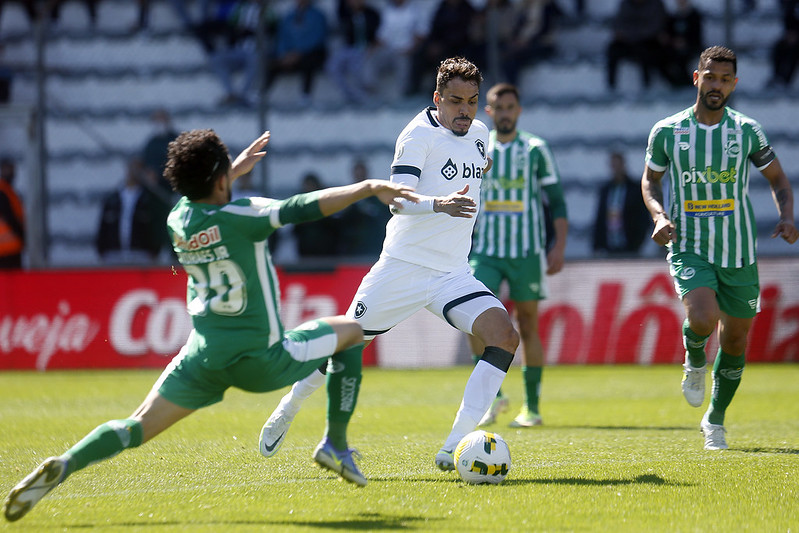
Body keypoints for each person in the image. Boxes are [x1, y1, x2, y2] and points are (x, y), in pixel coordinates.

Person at [2, 129, 420, 522]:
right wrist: (368, 188)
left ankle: (66, 464)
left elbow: (200, 198)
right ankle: (336, 443)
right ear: (220, 181)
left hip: (202, 358)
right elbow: (301, 207)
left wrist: (228, 172)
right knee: (350, 331)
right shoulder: (244, 216)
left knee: (136, 426)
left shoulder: (178, 219)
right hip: (261, 359)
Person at [260, 57, 520, 472]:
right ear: (437, 98)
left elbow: (474, 163)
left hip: (452, 273)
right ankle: (288, 408)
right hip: (402, 268)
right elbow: (396, 199)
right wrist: (441, 203)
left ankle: (454, 446)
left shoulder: (480, 134)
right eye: (455, 101)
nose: (465, 110)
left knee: (505, 336)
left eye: (471, 101)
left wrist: (476, 170)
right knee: (343, 347)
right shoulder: (417, 135)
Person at [641, 46, 798, 451]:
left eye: (725, 80)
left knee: (735, 341)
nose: (717, 85)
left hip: (740, 252)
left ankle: (715, 419)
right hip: (689, 245)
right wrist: (659, 216)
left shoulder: (746, 131)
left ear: (734, 84)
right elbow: (650, 181)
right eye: (710, 77)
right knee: (704, 317)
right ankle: (694, 358)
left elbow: (779, 180)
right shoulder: (668, 131)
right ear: (697, 78)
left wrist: (787, 216)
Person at [468, 83, 568, 428]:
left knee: (527, 325)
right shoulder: (477, 148)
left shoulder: (536, 149)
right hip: (487, 252)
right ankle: (493, 398)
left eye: (511, 106)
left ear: (519, 110)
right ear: (489, 112)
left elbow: (556, 201)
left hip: (526, 251)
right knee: (469, 316)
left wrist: (559, 246)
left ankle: (533, 408)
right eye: (499, 107)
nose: (506, 112)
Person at [96, 157, 167, 264]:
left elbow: (157, 224)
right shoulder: (112, 199)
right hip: (114, 254)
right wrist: (102, 249)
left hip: (141, 254)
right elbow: (103, 227)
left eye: (138, 169)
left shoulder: (149, 199)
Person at [265, 0, 328, 106]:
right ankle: (262, 94)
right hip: (290, 55)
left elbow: (318, 38)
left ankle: (306, 96)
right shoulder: (289, 16)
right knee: (271, 63)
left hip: (309, 53)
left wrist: (299, 53)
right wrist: (284, 54)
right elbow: (282, 38)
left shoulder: (318, 16)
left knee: (310, 61)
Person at [592, 151, 651, 256]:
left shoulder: (635, 189)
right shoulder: (606, 190)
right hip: (609, 245)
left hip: (630, 245)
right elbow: (600, 218)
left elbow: (643, 218)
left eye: (618, 165)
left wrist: (637, 242)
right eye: (613, 165)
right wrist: (597, 244)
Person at [326, 0, 381, 104]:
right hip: (349, 48)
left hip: (367, 47)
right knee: (332, 66)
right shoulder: (345, 14)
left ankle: (364, 96)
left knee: (358, 67)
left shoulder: (372, 14)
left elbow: (378, 34)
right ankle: (349, 95)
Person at [605, 0, 668, 91]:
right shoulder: (625, 4)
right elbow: (618, 25)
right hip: (628, 41)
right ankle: (611, 86)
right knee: (613, 49)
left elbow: (656, 26)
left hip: (647, 41)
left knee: (646, 51)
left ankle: (647, 86)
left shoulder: (656, 4)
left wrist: (636, 34)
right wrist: (632, 35)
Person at [336, 158, 392, 259]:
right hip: (352, 248)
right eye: (357, 175)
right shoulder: (347, 196)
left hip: (373, 246)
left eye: (362, 174)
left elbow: (383, 218)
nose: (359, 177)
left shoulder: (377, 196)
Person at [292, 172, 340, 258]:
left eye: (311, 185)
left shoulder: (327, 204)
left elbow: (334, 228)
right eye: (306, 185)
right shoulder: (300, 207)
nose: (309, 188)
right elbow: (296, 231)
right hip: (306, 254)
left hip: (326, 254)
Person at [659, 0, 703, 88]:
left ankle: (687, 85)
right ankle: (676, 84)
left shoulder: (694, 16)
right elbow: (669, 33)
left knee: (683, 60)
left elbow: (696, 36)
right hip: (674, 48)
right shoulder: (673, 17)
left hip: (691, 47)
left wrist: (685, 42)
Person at [768, 0, 799, 89]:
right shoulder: (792, 4)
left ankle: (786, 80)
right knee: (779, 47)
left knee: (795, 51)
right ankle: (778, 77)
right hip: (793, 34)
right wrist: (790, 32)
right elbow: (789, 15)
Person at [0, 157, 25, 269]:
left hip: (11, 247)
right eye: (6, 170)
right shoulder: (3, 192)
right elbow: (10, 217)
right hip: (7, 248)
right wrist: (22, 236)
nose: (10, 173)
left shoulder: (9, 191)